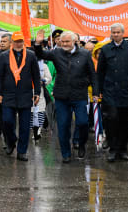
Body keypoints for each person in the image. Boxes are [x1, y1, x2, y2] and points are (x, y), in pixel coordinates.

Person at [35, 30, 98, 163]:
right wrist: (38, 43)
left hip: (79, 95)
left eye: (67, 41)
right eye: (62, 41)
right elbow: (40, 54)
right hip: (62, 96)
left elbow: (92, 74)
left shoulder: (85, 54)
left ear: (74, 41)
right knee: (63, 125)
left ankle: (81, 144)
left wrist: (96, 93)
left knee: (82, 123)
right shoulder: (57, 52)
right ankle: (66, 153)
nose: (64, 44)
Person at [97, 23, 128, 162]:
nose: (116, 34)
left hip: (127, 91)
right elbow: (100, 72)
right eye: (113, 32)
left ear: (123, 33)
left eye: (118, 32)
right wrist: (98, 91)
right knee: (111, 119)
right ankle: (113, 148)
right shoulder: (105, 49)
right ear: (111, 34)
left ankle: (122, 148)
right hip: (110, 91)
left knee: (124, 121)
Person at [0, 32, 41, 161]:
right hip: (8, 95)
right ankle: (11, 141)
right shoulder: (4, 56)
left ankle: (22, 151)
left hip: (25, 95)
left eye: (20, 41)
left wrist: (37, 92)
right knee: (7, 121)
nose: (18, 44)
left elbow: (36, 76)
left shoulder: (31, 56)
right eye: (16, 41)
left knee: (25, 126)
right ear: (12, 42)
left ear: (23, 42)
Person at [31, 59, 52, 141]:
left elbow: (49, 78)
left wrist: (43, 81)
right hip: (26, 91)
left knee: (39, 110)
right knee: (30, 111)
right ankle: (33, 129)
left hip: (39, 91)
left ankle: (37, 130)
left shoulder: (43, 66)